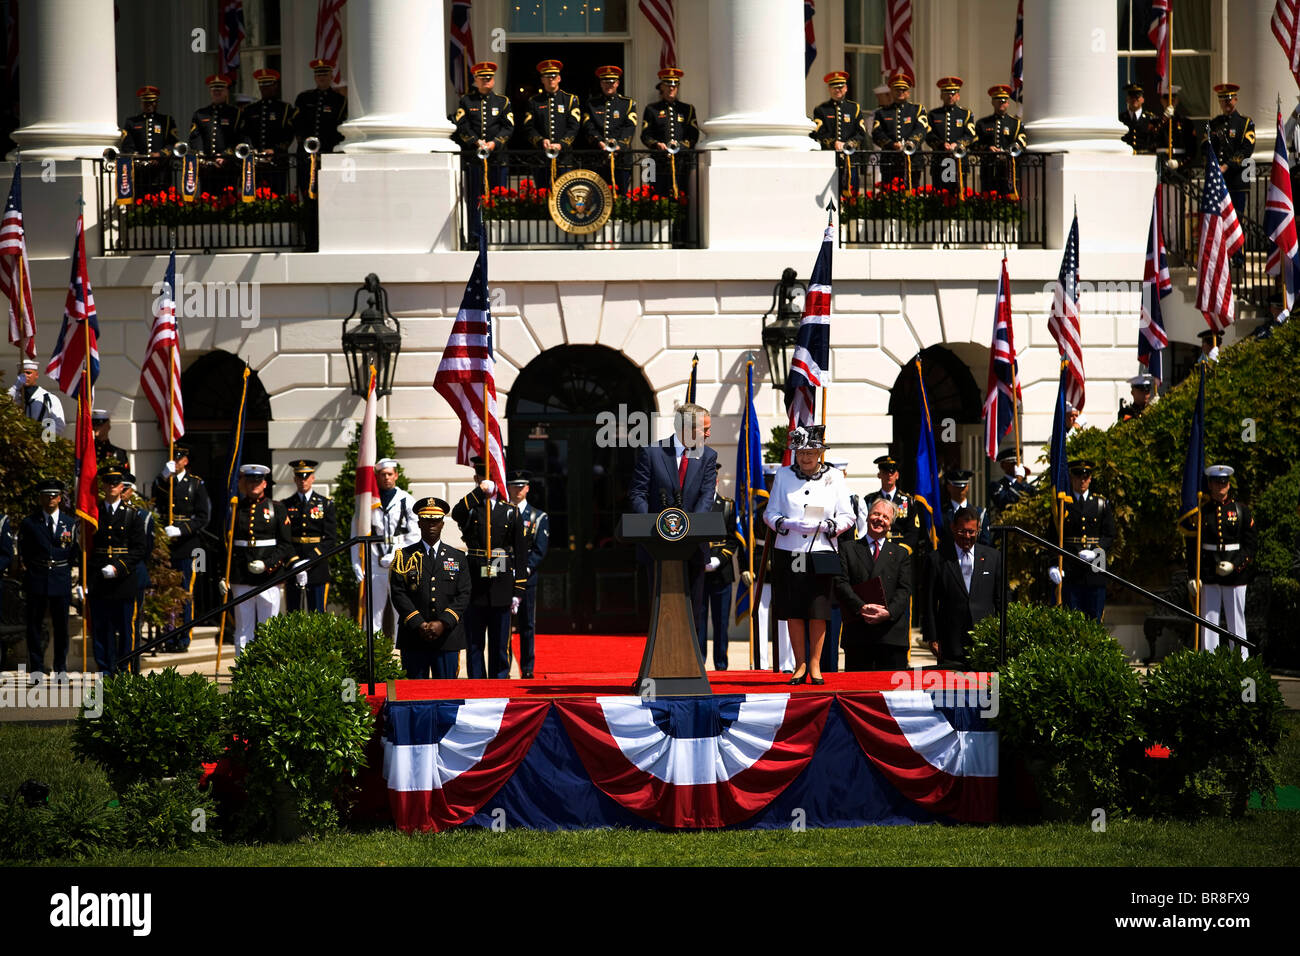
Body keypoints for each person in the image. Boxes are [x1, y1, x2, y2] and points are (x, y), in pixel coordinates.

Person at [763, 425, 855, 685]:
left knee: (818, 609)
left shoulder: (834, 477)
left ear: (820, 452)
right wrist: (787, 523)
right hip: (790, 550)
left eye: (811, 452)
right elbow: (769, 513)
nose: (805, 457)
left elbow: (847, 515)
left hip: (822, 549)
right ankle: (799, 664)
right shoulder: (783, 475)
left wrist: (829, 527)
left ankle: (815, 665)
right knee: (794, 609)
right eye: (801, 452)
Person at [628, 402, 718, 624]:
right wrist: (650, 525)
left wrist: (690, 528)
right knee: (661, 615)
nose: (709, 433)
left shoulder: (708, 456)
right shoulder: (652, 452)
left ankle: (691, 660)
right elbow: (638, 493)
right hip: (656, 546)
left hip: (693, 547)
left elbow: (707, 496)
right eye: (704, 429)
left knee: (693, 614)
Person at [451, 456, 527, 679]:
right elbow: (456, 513)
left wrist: (519, 590)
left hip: (501, 579)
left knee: (500, 640)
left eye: (491, 477)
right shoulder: (472, 509)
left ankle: (500, 680)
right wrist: (478, 493)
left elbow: (521, 553)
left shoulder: (510, 511)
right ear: (476, 479)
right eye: (483, 477)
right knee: (474, 640)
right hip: (475, 580)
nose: (488, 481)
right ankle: (476, 683)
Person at [388, 497, 471, 679]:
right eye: (426, 520)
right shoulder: (405, 556)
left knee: (447, 694)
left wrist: (443, 622)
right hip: (414, 636)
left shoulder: (457, 556)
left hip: (447, 636)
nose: (431, 524)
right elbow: (398, 592)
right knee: (415, 696)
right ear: (419, 523)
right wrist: (418, 623)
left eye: (436, 520)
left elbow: (464, 594)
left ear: (442, 524)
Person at [1184, 464, 1255, 657]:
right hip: (1208, 572)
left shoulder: (1241, 511)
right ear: (1210, 484)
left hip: (1235, 574)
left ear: (1229, 485)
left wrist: (1235, 564)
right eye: (1216, 482)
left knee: (1236, 623)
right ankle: (1209, 662)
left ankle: (1241, 663)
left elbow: (1250, 547)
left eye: (1224, 482)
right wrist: (1193, 574)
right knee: (1208, 623)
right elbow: (1192, 547)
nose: (1220, 486)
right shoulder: (1201, 512)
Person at [835, 498, 913, 670]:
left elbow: (904, 590)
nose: (880, 519)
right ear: (868, 516)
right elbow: (841, 584)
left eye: (885, 517)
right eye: (876, 514)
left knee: (892, 695)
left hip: (890, 635)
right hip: (858, 633)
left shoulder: (901, 554)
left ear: (891, 525)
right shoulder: (847, 549)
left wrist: (887, 613)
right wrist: (862, 607)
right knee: (859, 693)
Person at [225, 463, 293, 656]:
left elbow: (285, 544)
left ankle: (267, 670)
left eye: (258, 480)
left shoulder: (277, 509)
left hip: (269, 577)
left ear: (265, 484)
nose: (254, 484)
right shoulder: (235, 508)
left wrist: (267, 564)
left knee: (268, 627)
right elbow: (227, 544)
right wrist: (225, 576)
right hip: (242, 575)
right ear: (244, 483)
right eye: (249, 480)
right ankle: (243, 668)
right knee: (243, 628)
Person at [922, 507, 1002, 669]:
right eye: (962, 532)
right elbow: (928, 601)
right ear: (953, 528)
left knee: (986, 692)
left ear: (978, 530)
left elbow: (1001, 597)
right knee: (951, 690)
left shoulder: (993, 557)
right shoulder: (937, 559)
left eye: (972, 532)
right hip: (951, 640)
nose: (967, 537)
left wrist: (1002, 632)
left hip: (985, 640)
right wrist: (932, 636)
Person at [88, 466, 148, 674]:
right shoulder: (94, 514)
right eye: (108, 483)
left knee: (125, 628)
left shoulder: (132, 515)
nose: (112, 487)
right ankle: (104, 668)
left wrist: (118, 567)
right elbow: (86, 547)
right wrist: (83, 581)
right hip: (99, 578)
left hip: (124, 579)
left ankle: (125, 667)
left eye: (116, 483)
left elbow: (139, 549)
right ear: (103, 486)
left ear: (122, 487)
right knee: (101, 627)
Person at [353, 458, 420, 641]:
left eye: (390, 474)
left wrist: (398, 555)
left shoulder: (406, 500)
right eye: (383, 475)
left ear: (396, 475)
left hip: (400, 566)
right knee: (373, 612)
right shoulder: (368, 501)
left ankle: (402, 653)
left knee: (403, 611)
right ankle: (373, 654)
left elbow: (414, 535)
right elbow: (356, 531)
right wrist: (356, 562)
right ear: (376, 476)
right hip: (374, 563)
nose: (387, 478)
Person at [152, 442, 210, 650]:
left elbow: (203, 517)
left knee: (185, 592)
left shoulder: (196, 484)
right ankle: (167, 635)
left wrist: (182, 529)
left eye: (178, 459)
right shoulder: (163, 481)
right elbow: (155, 498)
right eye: (172, 459)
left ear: (185, 461)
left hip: (187, 546)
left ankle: (184, 637)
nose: (175, 463)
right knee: (166, 593)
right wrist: (162, 477)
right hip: (166, 547)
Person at [18, 479, 77, 677]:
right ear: (41, 498)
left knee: (61, 627)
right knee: (34, 626)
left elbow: (74, 551)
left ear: (60, 498)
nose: (50, 499)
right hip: (38, 578)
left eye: (54, 496)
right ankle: (36, 669)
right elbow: (25, 552)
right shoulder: (30, 523)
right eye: (46, 496)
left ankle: (60, 668)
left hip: (60, 578)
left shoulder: (70, 523)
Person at [1047, 459, 1116, 622]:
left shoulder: (1101, 504)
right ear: (1072, 478)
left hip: (1096, 569)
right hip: (1070, 569)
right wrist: (1054, 564)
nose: (1082, 480)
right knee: (1071, 619)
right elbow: (1052, 538)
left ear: (1090, 479)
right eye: (1078, 476)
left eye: (1086, 477)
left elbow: (1110, 535)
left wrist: (1096, 551)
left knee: (1095, 618)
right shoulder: (1063, 504)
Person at [451, 60, 514, 206]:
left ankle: (496, 229)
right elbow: (462, 125)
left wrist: (494, 143)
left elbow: (508, 127)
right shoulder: (466, 101)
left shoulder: (502, 101)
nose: (486, 81)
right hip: (475, 158)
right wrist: (476, 141)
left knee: (498, 199)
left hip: (498, 158)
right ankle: (476, 230)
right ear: (476, 80)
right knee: (475, 199)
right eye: (482, 78)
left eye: (489, 78)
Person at [507, 470, 548, 679]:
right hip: (504, 576)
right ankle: (503, 666)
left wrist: (523, 570)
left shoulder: (538, 516)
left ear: (528, 488)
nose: (517, 490)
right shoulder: (500, 513)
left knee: (527, 624)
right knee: (503, 623)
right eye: (514, 485)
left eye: (521, 486)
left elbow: (540, 549)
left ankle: (528, 667)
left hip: (527, 578)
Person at [281, 458, 336, 614]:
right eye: (299, 477)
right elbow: (284, 538)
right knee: (293, 612)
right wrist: (295, 563)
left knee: (317, 613)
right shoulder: (285, 505)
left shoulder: (325, 504)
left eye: (306, 476)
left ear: (313, 478)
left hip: (317, 566)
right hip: (293, 565)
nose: (303, 480)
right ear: (294, 479)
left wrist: (310, 560)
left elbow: (330, 539)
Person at [695, 491, 740, 671]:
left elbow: (733, 539)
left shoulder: (728, 505)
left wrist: (718, 560)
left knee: (721, 622)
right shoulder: (694, 502)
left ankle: (721, 665)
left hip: (721, 572)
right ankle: (699, 663)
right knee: (699, 620)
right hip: (699, 570)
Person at [640, 67, 700, 198]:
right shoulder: (652, 109)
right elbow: (645, 135)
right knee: (657, 196)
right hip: (657, 161)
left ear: (677, 87)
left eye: (674, 85)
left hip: (682, 162)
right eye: (667, 85)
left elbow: (693, 134)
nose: (671, 88)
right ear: (661, 87)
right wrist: (656, 144)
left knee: (682, 196)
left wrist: (681, 146)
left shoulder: (688, 109)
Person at [237, 68, 295, 195]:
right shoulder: (251, 109)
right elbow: (244, 133)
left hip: (277, 162)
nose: (265, 88)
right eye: (262, 85)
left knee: (277, 196)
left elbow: (289, 133)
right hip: (255, 162)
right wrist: (251, 149)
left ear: (275, 86)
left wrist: (275, 150)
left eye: (268, 85)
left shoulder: (284, 108)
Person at [1205, 83, 1255, 223]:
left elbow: (1246, 150)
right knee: (1218, 223)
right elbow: (1206, 148)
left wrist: (1227, 166)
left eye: (1229, 99)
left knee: (1235, 222)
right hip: (1218, 180)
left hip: (1237, 179)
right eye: (1222, 99)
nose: (1226, 102)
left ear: (1235, 99)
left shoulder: (1245, 123)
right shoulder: (1213, 123)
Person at [583, 65, 637, 194]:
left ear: (617, 83)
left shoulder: (627, 103)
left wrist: (620, 145)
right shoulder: (592, 103)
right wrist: (599, 142)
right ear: (601, 84)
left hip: (621, 159)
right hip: (598, 158)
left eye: (612, 82)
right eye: (605, 82)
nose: (609, 85)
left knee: (621, 194)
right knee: (597, 195)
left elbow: (630, 126)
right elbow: (588, 126)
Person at [523, 59, 581, 178]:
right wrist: (540, 140)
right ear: (542, 80)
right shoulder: (534, 101)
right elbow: (529, 127)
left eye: (554, 76)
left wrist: (561, 144)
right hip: (541, 157)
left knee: (563, 194)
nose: (551, 79)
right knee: (542, 193)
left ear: (559, 78)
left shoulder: (570, 99)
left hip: (564, 157)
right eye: (547, 76)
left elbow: (574, 126)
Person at [871, 69, 928, 187]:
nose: (900, 92)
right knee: (889, 196)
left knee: (913, 196)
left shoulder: (917, 110)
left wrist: (911, 143)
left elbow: (921, 129)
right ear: (891, 91)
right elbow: (877, 133)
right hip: (890, 161)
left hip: (913, 161)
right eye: (897, 89)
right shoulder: (882, 113)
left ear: (908, 92)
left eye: (904, 90)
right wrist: (892, 144)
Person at [120, 472, 154, 674]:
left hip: (134, 573)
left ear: (132, 490)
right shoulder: (105, 512)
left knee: (132, 622)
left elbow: (145, 549)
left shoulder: (142, 515)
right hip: (111, 576)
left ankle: (132, 666)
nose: (122, 492)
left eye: (125, 488)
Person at [811, 71, 866, 190]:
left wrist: (849, 144)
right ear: (829, 89)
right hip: (829, 159)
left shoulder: (854, 108)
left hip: (850, 160)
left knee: (851, 196)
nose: (837, 90)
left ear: (846, 88)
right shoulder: (821, 109)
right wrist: (833, 143)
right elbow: (819, 132)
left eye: (840, 87)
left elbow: (861, 133)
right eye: (834, 87)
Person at [119, 85, 179, 191]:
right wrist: (139, 158)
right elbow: (127, 146)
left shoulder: (167, 120)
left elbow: (173, 143)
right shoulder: (132, 122)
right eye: (146, 102)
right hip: (140, 172)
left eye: (151, 102)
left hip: (161, 171)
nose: (149, 105)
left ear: (156, 103)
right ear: (141, 103)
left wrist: (160, 154)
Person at [189, 73, 241, 193]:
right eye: (214, 89)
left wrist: (226, 155)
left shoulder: (235, 113)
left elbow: (240, 138)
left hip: (228, 167)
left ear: (226, 91)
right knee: (207, 201)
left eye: (220, 89)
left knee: (228, 201)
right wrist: (201, 155)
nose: (217, 92)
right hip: (207, 167)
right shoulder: (200, 114)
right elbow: (195, 137)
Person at [973, 85, 1027, 197]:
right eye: (998, 101)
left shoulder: (1015, 123)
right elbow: (973, 144)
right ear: (992, 102)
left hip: (1009, 170)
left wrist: (1007, 151)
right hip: (988, 170)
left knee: (1009, 199)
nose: (1001, 103)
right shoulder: (982, 123)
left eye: (1004, 101)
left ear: (1008, 103)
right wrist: (987, 148)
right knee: (988, 199)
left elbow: (1022, 143)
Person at [926, 76, 975, 193]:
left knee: (958, 194)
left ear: (958, 96)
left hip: (958, 161)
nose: (950, 96)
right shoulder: (933, 114)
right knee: (940, 194)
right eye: (946, 93)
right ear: (941, 95)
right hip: (940, 161)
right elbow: (928, 135)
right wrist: (941, 145)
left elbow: (970, 135)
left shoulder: (965, 114)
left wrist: (957, 144)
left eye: (953, 93)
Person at [862, 454, 919, 548]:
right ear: (879, 475)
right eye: (885, 472)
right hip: (875, 547)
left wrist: (904, 549)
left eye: (892, 472)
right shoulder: (870, 500)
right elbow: (863, 526)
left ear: (897, 475)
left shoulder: (908, 501)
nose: (889, 475)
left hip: (900, 548)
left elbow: (913, 530)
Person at [8, 359, 65, 435]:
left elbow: (59, 424)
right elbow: (3, 403)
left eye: (28, 373)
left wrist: (43, 440)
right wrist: (15, 387)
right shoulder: (14, 396)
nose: (24, 376)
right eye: (21, 374)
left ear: (36, 375)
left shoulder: (49, 398)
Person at [939, 468, 989, 547]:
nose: (960, 490)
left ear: (968, 487)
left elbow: (985, 543)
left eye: (963, 486)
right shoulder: (940, 513)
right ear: (948, 487)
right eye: (956, 486)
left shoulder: (979, 513)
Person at [1153, 85, 1197, 170]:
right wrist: (1164, 119)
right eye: (1167, 99)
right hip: (1160, 165)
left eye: (1173, 99)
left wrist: (1180, 162)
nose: (1170, 102)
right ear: (1162, 101)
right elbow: (1151, 139)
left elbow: (1192, 149)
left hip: (1180, 166)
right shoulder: (1155, 122)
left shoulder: (1186, 122)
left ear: (1177, 101)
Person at [988, 447, 1032, 516]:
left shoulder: (1026, 485)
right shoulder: (996, 485)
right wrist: (1019, 480)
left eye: (1017, 462)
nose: (1016, 465)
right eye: (1012, 463)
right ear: (1003, 465)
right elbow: (1005, 503)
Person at [1119, 82, 1156, 153]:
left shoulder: (1150, 118)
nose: (1134, 99)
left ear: (1142, 100)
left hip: (1144, 157)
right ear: (1127, 99)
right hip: (1126, 155)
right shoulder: (1121, 118)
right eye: (1131, 96)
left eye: (1137, 96)